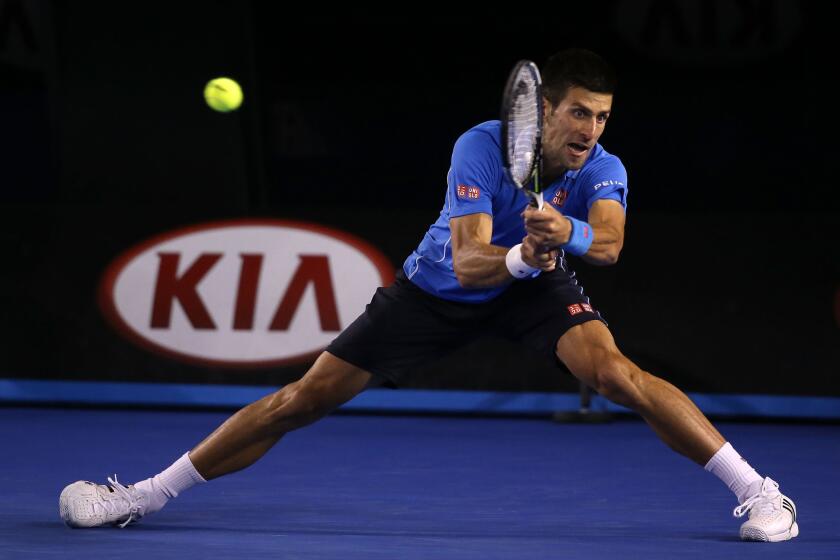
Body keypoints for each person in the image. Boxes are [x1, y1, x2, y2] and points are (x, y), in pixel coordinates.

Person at [59, 49, 798, 542]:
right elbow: (472, 260)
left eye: (603, 116)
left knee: (615, 374)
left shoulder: (603, 166)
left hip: (534, 286)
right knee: (302, 400)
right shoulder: (479, 145)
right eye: (579, 113)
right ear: (544, 112)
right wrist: (520, 251)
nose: (591, 129)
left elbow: (606, 243)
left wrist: (556, 234)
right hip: (437, 289)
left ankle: (761, 492)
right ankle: (143, 495)